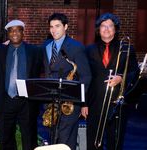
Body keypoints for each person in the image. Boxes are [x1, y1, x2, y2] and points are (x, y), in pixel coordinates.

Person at [83, 13, 139, 150]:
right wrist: (84, 103)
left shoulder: (127, 49)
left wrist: (121, 78)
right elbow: (85, 76)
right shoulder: (89, 49)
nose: (106, 29)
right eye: (103, 26)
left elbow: (135, 73)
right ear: (98, 29)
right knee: (93, 142)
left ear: (115, 29)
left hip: (116, 104)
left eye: (110, 26)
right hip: (94, 103)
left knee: (115, 142)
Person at [0, 20, 43, 150]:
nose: (14, 33)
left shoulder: (34, 51)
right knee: (5, 138)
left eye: (17, 30)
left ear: (23, 32)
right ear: (7, 34)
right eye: (11, 30)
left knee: (29, 138)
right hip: (5, 101)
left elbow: (39, 74)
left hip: (27, 102)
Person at [42, 13, 91, 150]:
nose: (53, 30)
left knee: (65, 142)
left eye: (57, 26)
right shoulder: (46, 45)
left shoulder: (76, 47)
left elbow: (86, 76)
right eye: (51, 26)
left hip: (69, 104)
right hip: (51, 102)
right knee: (52, 139)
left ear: (66, 27)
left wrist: (80, 101)